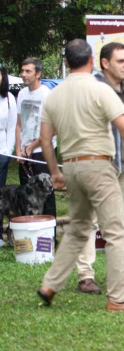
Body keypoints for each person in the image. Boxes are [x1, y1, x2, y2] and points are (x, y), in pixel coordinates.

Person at [36, 39, 124, 312]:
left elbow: (44, 138)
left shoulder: (54, 94)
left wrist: (54, 172)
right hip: (98, 165)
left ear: (66, 62)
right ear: (92, 61)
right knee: (116, 232)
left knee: (78, 229)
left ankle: (49, 285)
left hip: (72, 167)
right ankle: (118, 299)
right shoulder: (100, 89)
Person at [74, 42, 124, 294]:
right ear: (104, 63)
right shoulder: (93, 89)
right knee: (91, 222)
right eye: (121, 61)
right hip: (99, 166)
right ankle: (85, 276)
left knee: (122, 223)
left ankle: (123, 274)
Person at [15, 57, 57, 233]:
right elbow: (18, 124)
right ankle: (29, 234)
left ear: (38, 74)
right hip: (24, 152)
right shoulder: (22, 94)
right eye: (22, 71)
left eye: (28, 71)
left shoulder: (47, 95)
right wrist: (19, 149)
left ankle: (49, 235)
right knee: (27, 194)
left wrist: (32, 147)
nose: (23, 74)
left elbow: (53, 127)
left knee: (46, 193)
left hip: (42, 151)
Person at [0, 65, 17, 247]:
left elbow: (12, 128)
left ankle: (0, 235)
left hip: (2, 153)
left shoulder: (9, 99)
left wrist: (8, 152)